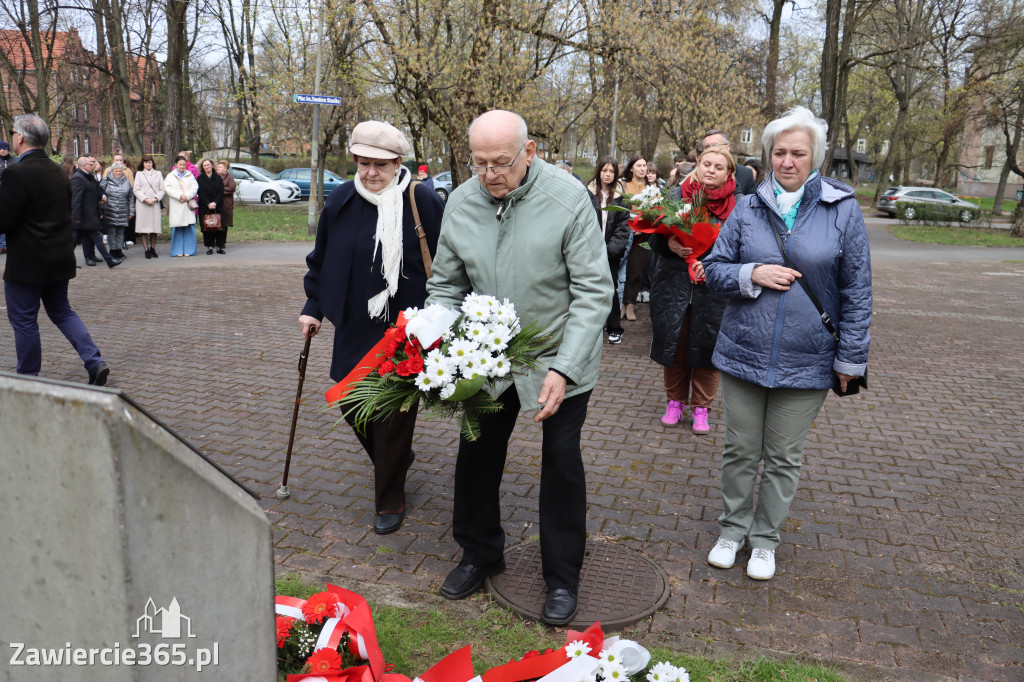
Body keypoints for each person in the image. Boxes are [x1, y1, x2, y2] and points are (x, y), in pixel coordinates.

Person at [426, 110, 613, 625]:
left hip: (558, 355)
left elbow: (594, 291)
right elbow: (445, 285)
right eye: (479, 163)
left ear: (530, 153)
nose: (490, 174)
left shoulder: (568, 199)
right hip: (488, 358)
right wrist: (436, 347)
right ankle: (479, 552)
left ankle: (561, 576)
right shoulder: (461, 203)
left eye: (501, 162)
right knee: (477, 453)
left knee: (560, 461)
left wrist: (565, 369)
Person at [702, 106, 871, 580]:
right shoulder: (748, 207)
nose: (788, 161)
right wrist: (750, 272)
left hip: (808, 359)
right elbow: (713, 268)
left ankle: (764, 541)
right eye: (780, 152)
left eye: (798, 152)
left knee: (782, 456)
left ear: (814, 156)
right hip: (743, 352)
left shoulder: (843, 209)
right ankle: (732, 530)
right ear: (769, 155)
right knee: (739, 450)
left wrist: (851, 358)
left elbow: (857, 290)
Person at [300, 121, 443, 536]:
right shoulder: (343, 198)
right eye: (362, 163)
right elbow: (321, 257)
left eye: (379, 165)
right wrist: (313, 306)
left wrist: (435, 322)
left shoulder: (423, 200)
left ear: (398, 163)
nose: (369, 173)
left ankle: (389, 497)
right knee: (350, 404)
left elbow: (447, 262)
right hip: (352, 323)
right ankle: (394, 459)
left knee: (393, 418)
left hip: (404, 328)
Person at [0, 114, 111, 384]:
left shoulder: (15, 173)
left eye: (14, 132)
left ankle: (28, 379)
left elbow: (5, 220)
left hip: (27, 263)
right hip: (58, 258)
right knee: (62, 311)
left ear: (21, 138)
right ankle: (94, 361)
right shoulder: (59, 172)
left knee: (25, 321)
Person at [649, 145, 737, 434]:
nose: (711, 169)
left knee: (707, 347)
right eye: (706, 164)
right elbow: (649, 237)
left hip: (713, 290)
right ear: (697, 166)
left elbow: (743, 249)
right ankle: (675, 402)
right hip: (674, 285)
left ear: (728, 173)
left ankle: (702, 408)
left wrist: (713, 266)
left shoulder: (738, 207)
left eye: (718, 166)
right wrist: (668, 244)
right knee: (675, 345)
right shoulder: (674, 197)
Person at [586, 156, 630, 344]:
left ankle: (614, 327)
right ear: (599, 171)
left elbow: (623, 228)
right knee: (588, 289)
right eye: (604, 170)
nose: (607, 174)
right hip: (588, 252)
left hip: (610, 254)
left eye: (611, 171)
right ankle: (590, 326)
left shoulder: (621, 198)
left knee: (610, 289)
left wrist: (609, 250)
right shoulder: (587, 193)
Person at [71, 156, 123, 268]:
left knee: (75, 241)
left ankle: (65, 262)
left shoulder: (87, 177)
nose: (93, 166)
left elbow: (94, 195)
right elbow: (76, 199)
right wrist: (76, 216)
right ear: (84, 166)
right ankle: (109, 261)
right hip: (84, 216)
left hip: (88, 215)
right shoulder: (78, 178)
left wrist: (98, 211)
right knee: (96, 238)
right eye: (90, 164)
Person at [620, 154, 649, 322]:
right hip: (625, 232)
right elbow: (620, 209)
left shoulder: (651, 187)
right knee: (623, 268)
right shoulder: (623, 185)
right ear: (631, 168)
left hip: (643, 235)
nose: (643, 168)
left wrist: (643, 225)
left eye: (644, 165)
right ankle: (620, 304)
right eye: (639, 165)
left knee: (636, 271)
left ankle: (630, 303)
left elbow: (656, 211)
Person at [699, 129, 757, 195]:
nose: (711, 149)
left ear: (728, 147)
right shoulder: (693, 174)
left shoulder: (745, 174)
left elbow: (751, 202)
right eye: (707, 147)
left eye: (716, 145)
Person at [165, 156, 199, 257]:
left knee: (189, 228)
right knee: (177, 229)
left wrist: (187, 196)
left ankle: (190, 250)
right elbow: (168, 188)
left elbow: (195, 187)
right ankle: (177, 251)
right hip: (177, 204)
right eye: (180, 164)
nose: (182, 166)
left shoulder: (190, 175)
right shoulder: (170, 176)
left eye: (184, 165)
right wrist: (179, 195)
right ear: (176, 165)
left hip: (188, 205)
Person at [100, 161, 135, 260]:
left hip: (123, 210)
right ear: (112, 171)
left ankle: (119, 250)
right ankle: (112, 251)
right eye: (116, 171)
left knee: (120, 231)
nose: (118, 173)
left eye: (120, 171)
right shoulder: (106, 180)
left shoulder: (126, 181)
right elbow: (99, 194)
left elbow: (131, 197)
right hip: (110, 210)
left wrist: (131, 211)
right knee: (112, 232)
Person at [134, 155, 164, 259]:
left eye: (150, 162)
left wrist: (156, 198)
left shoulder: (158, 173)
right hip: (143, 204)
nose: (148, 164)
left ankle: (153, 248)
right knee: (143, 227)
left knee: (154, 227)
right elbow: (136, 189)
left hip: (155, 203)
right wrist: (145, 199)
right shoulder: (139, 174)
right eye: (146, 162)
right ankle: (146, 249)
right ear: (143, 163)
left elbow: (162, 189)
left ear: (152, 163)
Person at [196, 158, 224, 255]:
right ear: (202, 167)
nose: (207, 167)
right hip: (205, 206)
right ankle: (210, 247)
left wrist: (215, 203)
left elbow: (221, 192)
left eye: (208, 165)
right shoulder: (199, 179)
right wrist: (208, 204)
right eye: (205, 165)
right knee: (207, 227)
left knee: (219, 226)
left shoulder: (218, 178)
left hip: (218, 205)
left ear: (212, 165)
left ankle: (219, 247)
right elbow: (200, 193)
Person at [215, 160, 236, 254]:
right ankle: (216, 241)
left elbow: (231, 188)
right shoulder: (215, 177)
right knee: (216, 222)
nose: (218, 168)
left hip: (226, 204)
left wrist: (220, 189)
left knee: (224, 223)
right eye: (217, 167)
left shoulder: (229, 178)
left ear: (225, 169)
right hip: (216, 203)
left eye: (220, 167)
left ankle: (222, 242)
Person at [0, 140, 15, 255]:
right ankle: (3, 245)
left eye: (4, 149)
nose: (2, 151)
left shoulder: (15, 160)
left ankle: (9, 243)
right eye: (0, 149)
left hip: (13, 193)